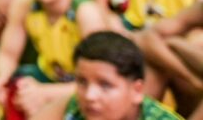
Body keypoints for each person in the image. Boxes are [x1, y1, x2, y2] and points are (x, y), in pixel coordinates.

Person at [0, 0, 107, 115]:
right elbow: (7, 54)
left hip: (79, 85)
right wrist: (1, 80)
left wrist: (45, 93)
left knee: (35, 104)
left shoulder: (85, 13)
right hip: (45, 74)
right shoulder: (24, 3)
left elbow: (100, 80)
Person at [32, 32, 183, 120]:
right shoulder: (75, 106)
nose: (90, 96)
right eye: (82, 82)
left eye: (105, 85)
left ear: (136, 90)